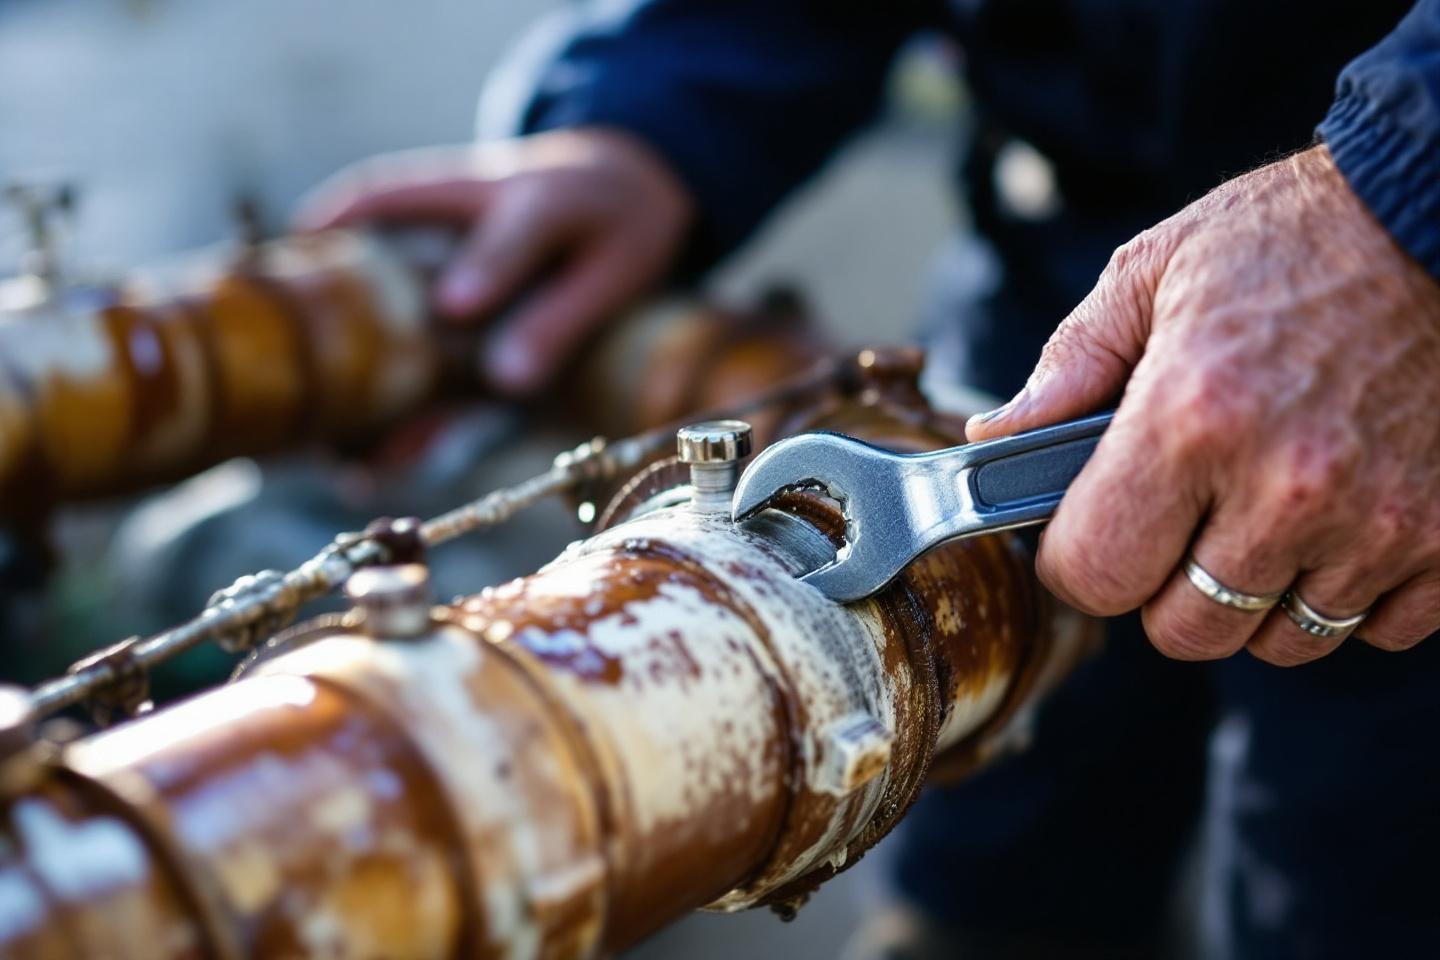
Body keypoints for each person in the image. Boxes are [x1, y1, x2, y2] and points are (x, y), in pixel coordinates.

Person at [299, 1, 1440, 956]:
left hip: (1402, 381)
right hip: (1050, 318)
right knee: (986, 895)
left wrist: (1399, 214)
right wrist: (648, 116)